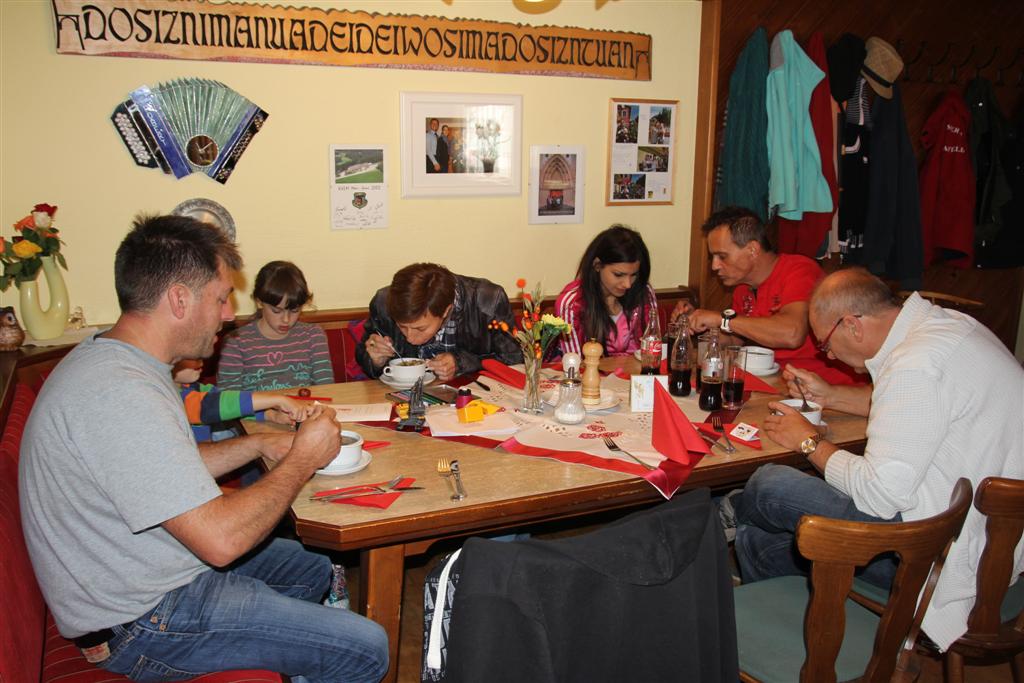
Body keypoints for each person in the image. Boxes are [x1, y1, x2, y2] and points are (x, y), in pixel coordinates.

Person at [18, 215, 388, 681]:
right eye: (220, 298)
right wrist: (301, 459)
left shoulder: (121, 363)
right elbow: (221, 543)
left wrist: (260, 444)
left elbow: (162, 465)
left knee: (308, 568)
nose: (229, 315)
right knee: (367, 647)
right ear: (178, 299)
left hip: (148, 572)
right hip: (141, 619)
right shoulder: (118, 393)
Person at [736, 267, 1024, 652]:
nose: (831, 355)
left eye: (826, 345)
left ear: (853, 324)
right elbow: (911, 406)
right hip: (998, 548)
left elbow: (880, 495)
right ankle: (819, 645)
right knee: (756, 539)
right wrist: (831, 396)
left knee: (768, 484)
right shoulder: (945, 328)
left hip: (943, 560)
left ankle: (846, 648)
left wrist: (808, 443)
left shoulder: (914, 365)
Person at [678, 206, 854, 382]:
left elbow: (792, 334)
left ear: (752, 250)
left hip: (823, 390)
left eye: (722, 256)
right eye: (713, 257)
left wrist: (721, 319)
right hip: (774, 383)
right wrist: (696, 323)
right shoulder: (743, 288)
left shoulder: (800, 271)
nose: (714, 266)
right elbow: (734, 340)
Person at [356, 262, 520, 382]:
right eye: (402, 327)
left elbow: (514, 360)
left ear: (446, 311)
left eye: (420, 329)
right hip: (405, 397)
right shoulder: (384, 302)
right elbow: (365, 357)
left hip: (471, 396)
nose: (410, 338)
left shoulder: (487, 300)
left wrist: (461, 362)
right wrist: (375, 359)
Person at [217, 260, 334, 391]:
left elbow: (326, 389)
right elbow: (229, 401)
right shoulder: (236, 342)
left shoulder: (313, 336)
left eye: (295, 310)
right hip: (258, 412)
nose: (286, 319)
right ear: (259, 302)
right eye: (276, 311)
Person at [555, 225, 658, 357]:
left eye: (633, 275)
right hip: (590, 375)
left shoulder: (644, 292)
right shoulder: (572, 304)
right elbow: (575, 366)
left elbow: (651, 354)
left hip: (636, 376)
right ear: (597, 265)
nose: (627, 284)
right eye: (618, 275)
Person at [174, 358, 313, 442]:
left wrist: (271, 415)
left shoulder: (192, 386)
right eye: (189, 356)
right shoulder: (175, 399)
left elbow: (232, 405)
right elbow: (213, 406)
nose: (200, 361)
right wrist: (277, 400)